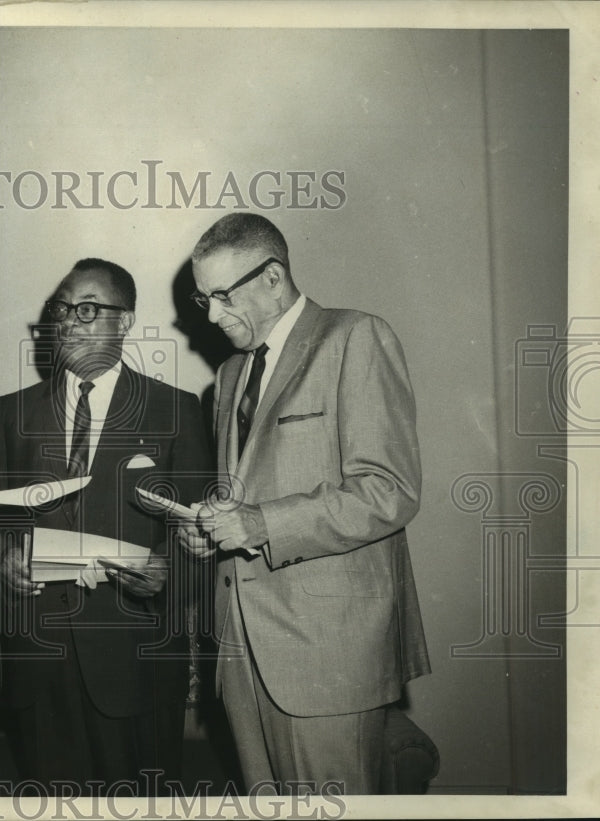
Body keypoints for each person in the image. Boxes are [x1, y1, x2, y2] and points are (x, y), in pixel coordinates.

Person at [179, 213, 430, 795]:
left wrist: (261, 524)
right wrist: (209, 528)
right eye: (203, 298)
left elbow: (388, 489)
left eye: (223, 295)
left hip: (328, 653)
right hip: (241, 654)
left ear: (273, 278)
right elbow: (240, 496)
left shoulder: (354, 338)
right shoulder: (229, 374)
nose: (212, 315)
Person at [0, 258, 212, 793]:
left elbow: (202, 532)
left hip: (138, 663)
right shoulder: (10, 415)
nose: (68, 321)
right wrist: (3, 565)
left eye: (87, 308)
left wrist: (169, 575)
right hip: (38, 665)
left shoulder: (175, 411)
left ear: (125, 322)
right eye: (61, 309)